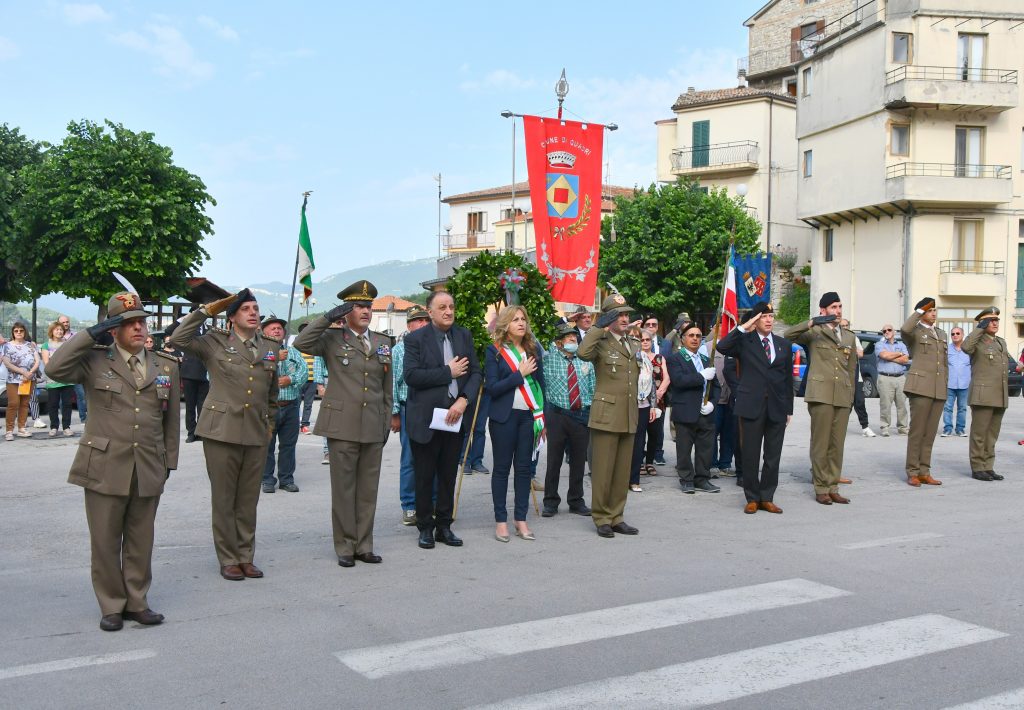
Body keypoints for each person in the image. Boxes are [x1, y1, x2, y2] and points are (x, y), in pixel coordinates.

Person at [45, 291, 180, 631]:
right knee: (105, 540)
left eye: (141, 321)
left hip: (149, 463)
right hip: (104, 463)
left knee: (140, 538)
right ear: (113, 329)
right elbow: (53, 368)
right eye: (128, 323)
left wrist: (169, 463)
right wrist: (90, 335)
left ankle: (137, 601)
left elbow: (171, 421)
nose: (138, 328)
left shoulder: (165, 365)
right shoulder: (94, 359)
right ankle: (111, 605)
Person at [168, 288, 278, 581]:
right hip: (221, 431)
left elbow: (272, 394)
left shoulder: (269, 346)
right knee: (224, 498)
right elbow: (178, 339)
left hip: (255, 431)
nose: (253, 312)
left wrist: (269, 426)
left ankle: (246, 555)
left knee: (248, 500)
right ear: (231, 318)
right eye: (246, 309)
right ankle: (228, 558)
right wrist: (207, 310)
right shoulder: (214, 342)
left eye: (256, 308)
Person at [294, 282, 394, 566]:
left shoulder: (383, 343)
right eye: (359, 307)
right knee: (344, 489)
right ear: (347, 311)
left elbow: (386, 388)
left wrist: (385, 422)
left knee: (367, 490)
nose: (365, 311)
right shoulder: (332, 338)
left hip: (373, 424)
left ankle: (364, 545)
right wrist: (328, 317)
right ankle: (345, 547)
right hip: (342, 425)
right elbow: (301, 343)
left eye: (368, 307)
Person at [400, 290, 480, 550]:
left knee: (448, 474)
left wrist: (464, 399)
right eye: (442, 307)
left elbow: (476, 373)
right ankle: (425, 527)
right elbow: (412, 376)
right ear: (430, 311)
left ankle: (444, 525)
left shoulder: (463, 335)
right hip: (426, 419)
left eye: (451, 307)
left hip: (455, 416)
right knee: (424, 476)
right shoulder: (416, 339)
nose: (448, 311)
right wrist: (448, 372)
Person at [717, 302, 793, 514]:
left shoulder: (782, 344)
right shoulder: (745, 342)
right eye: (763, 316)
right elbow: (722, 347)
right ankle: (752, 497)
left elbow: (787, 379)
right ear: (755, 320)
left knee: (772, 455)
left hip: (776, 407)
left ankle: (767, 496)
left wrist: (789, 408)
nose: (768, 320)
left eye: (771, 316)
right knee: (750, 453)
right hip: (751, 406)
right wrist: (745, 326)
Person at [577, 293, 642, 538]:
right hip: (606, 413)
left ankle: (617, 516)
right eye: (620, 314)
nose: (625, 318)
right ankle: (602, 517)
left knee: (621, 470)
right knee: (603, 469)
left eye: (627, 314)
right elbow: (583, 353)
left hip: (627, 413)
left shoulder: (631, 342)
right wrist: (599, 325)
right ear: (609, 317)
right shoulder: (601, 340)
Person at [785, 292, 857, 505]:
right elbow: (787, 336)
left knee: (837, 444)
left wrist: (851, 396)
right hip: (821, 394)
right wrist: (811, 322)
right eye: (833, 307)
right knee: (821, 443)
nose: (838, 310)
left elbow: (851, 369)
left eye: (840, 306)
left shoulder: (849, 336)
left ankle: (833, 485)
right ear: (823, 310)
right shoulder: (814, 332)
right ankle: (821, 487)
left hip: (842, 394)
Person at [484, 305, 545, 542]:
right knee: (501, 470)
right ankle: (501, 521)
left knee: (523, 470)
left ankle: (521, 519)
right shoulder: (495, 351)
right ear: (506, 324)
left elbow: (541, 387)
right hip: (503, 418)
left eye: (523, 319)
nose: (521, 323)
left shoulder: (532, 350)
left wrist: (543, 417)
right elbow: (492, 388)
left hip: (528, 418)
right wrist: (518, 375)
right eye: (515, 320)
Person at [962, 307, 1023, 481]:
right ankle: (977, 467)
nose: (995, 323)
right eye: (991, 320)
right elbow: (966, 347)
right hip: (983, 395)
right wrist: (979, 328)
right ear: (983, 322)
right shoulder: (977, 341)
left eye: (996, 320)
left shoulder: (1000, 342)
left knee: (992, 435)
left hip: (999, 394)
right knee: (979, 434)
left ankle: (988, 466)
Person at [541, 321, 594, 517]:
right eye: (568, 337)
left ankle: (576, 500)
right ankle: (551, 501)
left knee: (579, 461)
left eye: (574, 337)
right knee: (554, 460)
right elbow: (541, 335)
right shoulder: (550, 358)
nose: (573, 339)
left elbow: (593, 386)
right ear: (559, 343)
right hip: (558, 415)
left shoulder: (585, 360)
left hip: (581, 415)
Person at [666, 321, 721, 494]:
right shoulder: (675, 358)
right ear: (682, 340)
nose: (695, 339)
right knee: (684, 448)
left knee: (706, 448)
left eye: (698, 336)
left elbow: (716, 386)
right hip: (685, 410)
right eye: (691, 335)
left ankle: (702, 479)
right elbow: (679, 381)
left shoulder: (706, 360)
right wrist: (700, 376)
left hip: (705, 411)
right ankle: (686, 479)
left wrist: (713, 402)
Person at [900, 297, 948, 487]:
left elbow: (944, 363)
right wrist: (919, 311)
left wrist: (945, 385)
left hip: (938, 388)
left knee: (930, 433)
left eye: (934, 310)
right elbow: (904, 329)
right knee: (917, 431)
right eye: (929, 310)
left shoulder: (941, 334)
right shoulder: (915, 332)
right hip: (920, 387)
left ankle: (924, 470)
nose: (933, 313)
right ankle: (912, 471)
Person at [391, 307, 431, 526]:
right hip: (409, 408)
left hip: (432, 409)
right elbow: (393, 384)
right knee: (410, 459)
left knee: (433, 457)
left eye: (426, 319)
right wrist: (395, 413)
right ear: (409, 326)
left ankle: (431, 503)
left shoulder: (435, 345)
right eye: (418, 321)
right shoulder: (399, 350)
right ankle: (409, 506)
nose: (423, 324)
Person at [260, 317, 306, 494]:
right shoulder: (260, 352)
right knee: (267, 445)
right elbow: (255, 374)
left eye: (279, 328)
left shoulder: (293, 351)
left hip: (291, 406)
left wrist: (290, 379)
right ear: (264, 333)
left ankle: (286, 479)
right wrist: (275, 360)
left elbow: (303, 373)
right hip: (268, 407)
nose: (277, 331)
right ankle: (267, 479)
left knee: (288, 445)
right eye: (272, 328)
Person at [628, 326, 662, 492]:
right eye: (633, 337)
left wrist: (653, 406)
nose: (636, 340)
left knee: (638, 443)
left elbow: (652, 385)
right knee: (626, 442)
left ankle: (634, 480)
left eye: (638, 337)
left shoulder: (645, 359)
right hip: (626, 405)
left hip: (643, 405)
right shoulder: (623, 357)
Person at [2, 322, 39, 439]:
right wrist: (23, 372)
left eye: (21, 331)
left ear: (25, 332)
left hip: (28, 379)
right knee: (13, 404)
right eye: (16, 331)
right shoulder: (7, 346)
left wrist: (30, 373)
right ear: (13, 332)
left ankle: (22, 428)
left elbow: (37, 361)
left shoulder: (31, 345)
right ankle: (9, 430)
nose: (18, 333)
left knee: (24, 404)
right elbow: (7, 363)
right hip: (13, 379)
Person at [39, 322, 76, 437]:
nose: (59, 332)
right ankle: (54, 427)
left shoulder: (68, 344)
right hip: (53, 379)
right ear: (52, 331)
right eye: (56, 330)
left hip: (67, 378)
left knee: (67, 404)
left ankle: (66, 427)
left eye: (61, 330)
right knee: (53, 404)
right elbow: (46, 362)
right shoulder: (46, 345)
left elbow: (72, 359)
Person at [642, 315, 670, 466]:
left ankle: (651, 462)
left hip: (658, 400)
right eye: (642, 340)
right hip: (640, 401)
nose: (645, 342)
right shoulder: (635, 358)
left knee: (655, 432)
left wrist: (659, 393)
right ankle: (639, 461)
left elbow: (667, 377)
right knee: (640, 433)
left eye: (647, 340)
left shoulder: (660, 357)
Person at [875, 323, 911, 437]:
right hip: (885, 378)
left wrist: (891, 357)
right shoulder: (879, 344)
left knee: (902, 405)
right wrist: (898, 354)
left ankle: (903, 428)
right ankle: (885, 427)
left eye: (889, 330)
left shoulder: (902, 344)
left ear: (894, 331)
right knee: (885, 404)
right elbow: (884, 356)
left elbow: (905, 359)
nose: (886, 332)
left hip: (900, 378)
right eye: (884, 331)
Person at [59, 314, 88, 424]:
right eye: (63, 322)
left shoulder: (75, 335)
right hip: (64, 371)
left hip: (76, 370)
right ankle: (65, 420)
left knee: (82, 395)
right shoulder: (56, 337)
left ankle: (84, 418)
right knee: (64, 398)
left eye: (67, 322)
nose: (65, 324)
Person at [942, 326, 970, 437]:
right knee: (947, 407)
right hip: (950, 384)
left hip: (964, 384)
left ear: (962, 335)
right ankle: (947, 429)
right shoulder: (946, 349)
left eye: (958, 333)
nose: (955, 335)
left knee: (962, 408)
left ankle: (960, 429)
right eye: (953, 334)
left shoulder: (969, 350)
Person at [295, 322, 317, 434]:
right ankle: (294, 424)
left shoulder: (316, 346)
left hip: (312, 380)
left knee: (308, 404)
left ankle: (304, 425)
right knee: (296, 403)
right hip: (299, 380)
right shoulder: (296, 346)